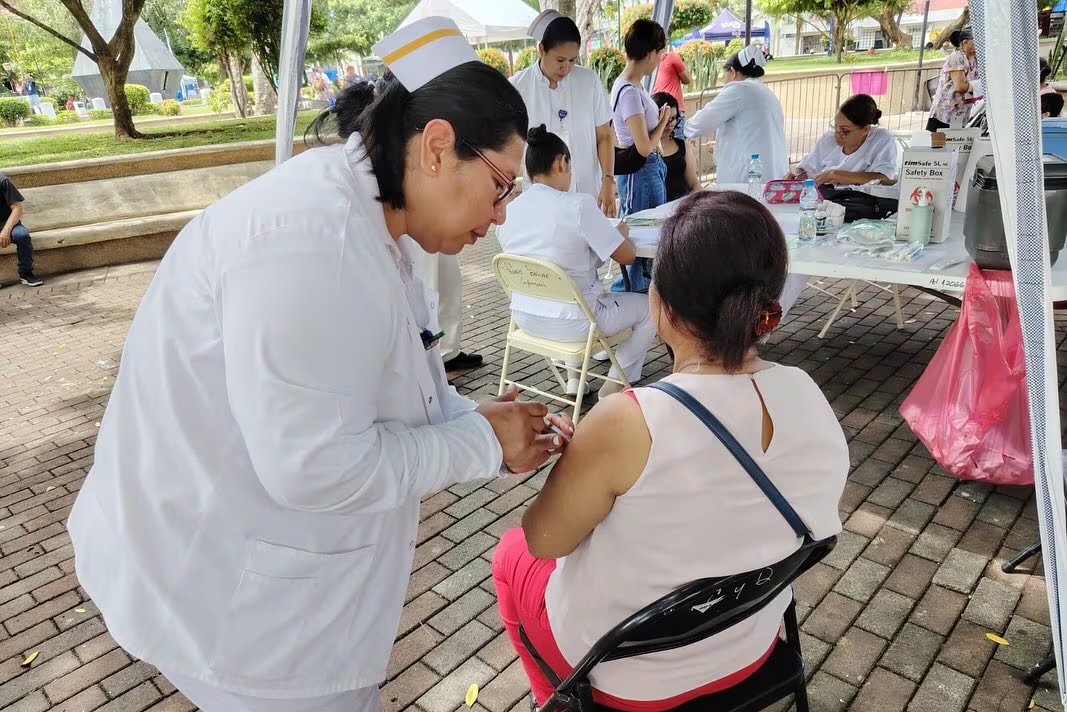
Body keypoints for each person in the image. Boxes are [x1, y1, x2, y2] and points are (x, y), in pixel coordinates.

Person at [66, 18, 572, 712]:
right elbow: (317, 467)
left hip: (257, 579)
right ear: (435, 148)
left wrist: (474, 417)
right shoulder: (313, 242)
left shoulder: (365, 217)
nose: (501, 215)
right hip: (232, 607)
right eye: (500, 186)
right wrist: (482, 442)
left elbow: (381, 383)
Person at [492, 190, 848, 710]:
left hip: (634, 681)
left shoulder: (627, 419)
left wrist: (579, 458)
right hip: (750, 643)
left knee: (511, 554)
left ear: (664, 304)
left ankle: (560, 701)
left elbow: (544, 540)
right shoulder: (807, 392)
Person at [498, 125, 656, 398]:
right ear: (561, 163)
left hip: (527, 318)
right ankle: (616, 385)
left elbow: (555, 262)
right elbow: (628, 256)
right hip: (578, 323)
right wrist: (618, 235)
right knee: (653, 306)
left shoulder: (507, 214)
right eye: (569, 167)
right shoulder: (578, 206)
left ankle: (575, 380)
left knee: (569, 291)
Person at [512, 12, 617, 215]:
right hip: (541, 201)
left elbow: (604, 136)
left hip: (588, 193)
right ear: (541, 49)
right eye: (560, 60)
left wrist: (608, 179)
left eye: (572, 60)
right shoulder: (519, 87)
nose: (566, 68)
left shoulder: (588, 81)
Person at [610, 18, 674, 293]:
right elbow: (644, 146)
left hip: (648, 170)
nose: (659, 60)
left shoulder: (634, 86)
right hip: (642, 171)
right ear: (650, 53)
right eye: (659, 54)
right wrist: (663, 120)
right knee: (642, 235)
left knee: (648, 233)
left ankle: (643, 291)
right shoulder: (629, 91)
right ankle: (637, 294)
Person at [684, 45, 787, 184]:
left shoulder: (739, 89)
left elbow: (704, 121)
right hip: (773, 174)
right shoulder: (765, 92)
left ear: (732, 71)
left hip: (749, 178)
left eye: (724, 75)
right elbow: (752, 133)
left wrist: (681, 130)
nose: (724, 80)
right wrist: (719, 145)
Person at [789, 94, 898, 186]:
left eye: (845, 130)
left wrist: (834, 175)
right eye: (835, 127)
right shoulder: (828, 139)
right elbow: (805, 168)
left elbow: (884, 178)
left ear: (865, 129)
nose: (837, 133)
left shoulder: (881, 140)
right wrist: (796, 174)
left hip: (858, 203)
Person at [927, 28, 979, 131]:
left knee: (956, 144)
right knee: (937, 145)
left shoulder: (975, 60)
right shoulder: (957, 56)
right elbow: (960, 86)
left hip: (961, 114)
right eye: (975, 42)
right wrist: (979, 86)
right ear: (964, 42)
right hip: (944, 115)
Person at [652, 92, 701, 201]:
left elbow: (694, 184)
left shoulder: (682, 145)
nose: (670, 124)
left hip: (682, 206)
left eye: (673, 118)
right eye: (665, 118)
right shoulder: (646, 149)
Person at [0, 173, 43, 287]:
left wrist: (6, 231)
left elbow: (17, 208)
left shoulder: (3, 181)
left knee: (22, 235)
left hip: (8, 225)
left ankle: (26, 273)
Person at [652, 49, 691, 118]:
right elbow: (687, 80)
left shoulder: (646, 61)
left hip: (656, 109)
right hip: (674, 110)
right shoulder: (671, 57)